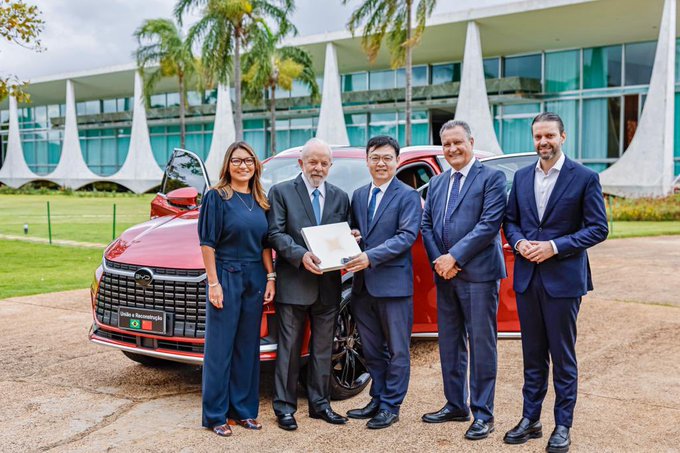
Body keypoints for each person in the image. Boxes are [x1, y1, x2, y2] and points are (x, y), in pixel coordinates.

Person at [503, 112, 608, 453]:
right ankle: (530, 419)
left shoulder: (585, 177)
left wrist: (554, 247)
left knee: (563, 357)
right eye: (537, 137)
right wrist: (519, 243)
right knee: (532, 355)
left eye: (549, 136)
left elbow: (598, 228)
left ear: (563, 137)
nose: (543, 142)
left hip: (563, 280)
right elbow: (511, 221)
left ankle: (563, 425)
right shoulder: (520, 178)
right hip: (527, 279)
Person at [420, 120, 507, 440]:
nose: (453, 149)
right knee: (450, 343)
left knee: (482, 345)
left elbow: (488, 225)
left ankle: (484, 413)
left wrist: (453, 257)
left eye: (458, 142)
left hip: (479, 275)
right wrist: (439, 262)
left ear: (471, 141)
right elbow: (426, 224)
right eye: (447, 145)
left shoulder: (492, 178)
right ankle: (456, 404)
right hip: (445, 276)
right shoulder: (439, 182)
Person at [267, 137, 351, 431]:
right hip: (294, 283)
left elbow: (341, 236)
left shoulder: (341, 197)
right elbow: (275, 234)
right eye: (312, 162)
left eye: (324, 163)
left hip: (328, 286)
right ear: (301, 163)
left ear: (330, 166)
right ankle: (285, 408)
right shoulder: (281, 192)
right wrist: (300, 255)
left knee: (323, 348)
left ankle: (320, 404)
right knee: (289, 350)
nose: (318, 168)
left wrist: (350, 241)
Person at [343, 135, 422, 429]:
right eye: (375, 157)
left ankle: (391, 405)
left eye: (387, 158)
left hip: (393, 285)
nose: (381, 163)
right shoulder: (359, 195)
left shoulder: (408, 196)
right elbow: (355, 232)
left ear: (397, 161)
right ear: (366, 161)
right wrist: (352, 236)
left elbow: (406, 237)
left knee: (398, 349)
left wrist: (370, 257)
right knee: (372, 348)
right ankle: (377, 396)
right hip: (363, 286)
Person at [198, 141, 276, 437]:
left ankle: (243, 411)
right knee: (220, 349)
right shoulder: (216, 197)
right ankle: (216, 415)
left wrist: (271, 278)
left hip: (254, 278)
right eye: (236, 161)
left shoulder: (261, 201)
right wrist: (213, 283)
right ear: (227, 166)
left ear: (256, 165)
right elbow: (207, 243)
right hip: (226, 276)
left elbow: (265, 244)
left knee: (247, 347)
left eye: (248, 161)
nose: (242, 166)